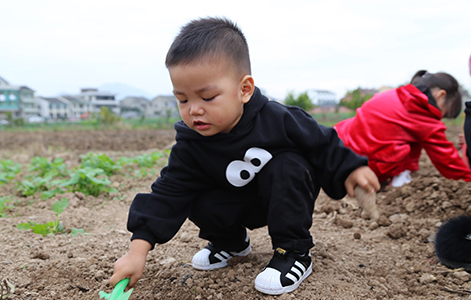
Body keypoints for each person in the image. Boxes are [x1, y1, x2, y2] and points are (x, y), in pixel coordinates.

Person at [109, 17, 380, 296]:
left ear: (244, 90)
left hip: (281, 197)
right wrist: (137, 251)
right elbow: (167, 193)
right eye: (183, 99)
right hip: (234, 203)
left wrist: (351, 168)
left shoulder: (278, 119)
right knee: (191, 192)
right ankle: (231, 243)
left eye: (208, 97)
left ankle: (294, 252)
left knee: (288, 164)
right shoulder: (191, 146)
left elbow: (321, 142)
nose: (194, 110)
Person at [335, 70, 471, 186]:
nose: (440, 119)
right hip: (365, 167)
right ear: (441, 95)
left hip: (338, 149)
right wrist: (468, 179)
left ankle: (402, 173)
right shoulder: (423, 117)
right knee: (410, 145)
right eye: (445, 112)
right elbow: (447, 161)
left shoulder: (394, 94)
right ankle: (399, 179)